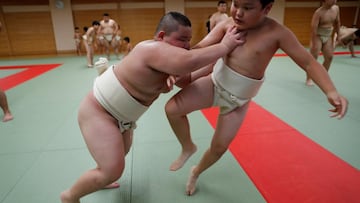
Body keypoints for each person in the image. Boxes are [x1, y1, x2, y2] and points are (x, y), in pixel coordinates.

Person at [165, 0, 348, 196]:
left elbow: (309, 63)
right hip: (214, 84)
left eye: (248, 8)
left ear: (266, 9)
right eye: (236, 4)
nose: (238, 13)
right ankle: (188, 146)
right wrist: (175, 65)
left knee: (218, 148)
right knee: (172, 109)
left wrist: (331, 91)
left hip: (238, 103)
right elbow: (200, 46)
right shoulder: (228, 24)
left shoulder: (277, 33)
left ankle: (196, 171)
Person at [60, 11, 245, 203]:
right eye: (182, 39)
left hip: (124, 118)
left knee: (120, 154)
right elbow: (188, 61)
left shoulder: (167, 61)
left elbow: (186, 78)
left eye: (189, 40)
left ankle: (102, 175)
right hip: (99, 112)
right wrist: (225, 46)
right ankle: (70, 196)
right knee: (112, 169)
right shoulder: (149, 49)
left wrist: (213, 66)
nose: (187, 45)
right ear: (162, 37)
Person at [306, 0, 341, 86]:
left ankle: (322, 77)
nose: (334, 0)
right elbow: (313, 28)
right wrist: (314, 42)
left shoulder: (336, 8)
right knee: (313, 58)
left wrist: (338, 35)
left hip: (328, 36)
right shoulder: (318, 12)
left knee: (329, 57)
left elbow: (337, 22)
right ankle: (309, 78)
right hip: (318, 36)